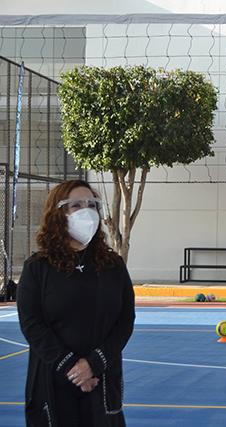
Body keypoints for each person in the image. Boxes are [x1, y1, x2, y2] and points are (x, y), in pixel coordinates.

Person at [17, 179, 135, 427]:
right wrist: (73, 367)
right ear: (58, 213)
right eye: (77, 205)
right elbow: (32, 325)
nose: (87, 211)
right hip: (52, 381)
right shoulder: (38, 267)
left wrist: (93, 364)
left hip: (101, 380)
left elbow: (125, 320)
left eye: (92, 204)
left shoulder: (113, 266)